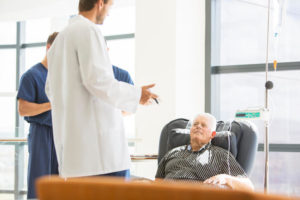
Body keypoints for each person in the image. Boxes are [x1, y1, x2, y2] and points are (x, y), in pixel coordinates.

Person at [45, 0, 158, 179]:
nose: (109, 12)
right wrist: (137, 94)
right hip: (100, 157)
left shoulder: (60, 40)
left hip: (74, 155)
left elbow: (50, 89)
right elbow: (98, 81)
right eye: (110, 5)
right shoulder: (88, 31)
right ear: (100, 3)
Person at [155, 113, 254, 191]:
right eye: (195, 124)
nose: (198, 126)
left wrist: (225, 178)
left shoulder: (221, 155)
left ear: (212, 134)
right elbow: (157, 183)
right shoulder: (172, 153)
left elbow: (248, 186)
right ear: (190, 130)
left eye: (203, 125)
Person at [17, 32, 59, 199]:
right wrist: (51, 105)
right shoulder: (31, 75)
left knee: (60, 184)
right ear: (49, 48)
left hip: (61, 134)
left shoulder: (61, 77)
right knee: (39, 184)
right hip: (41, 133)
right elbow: (23, 109)